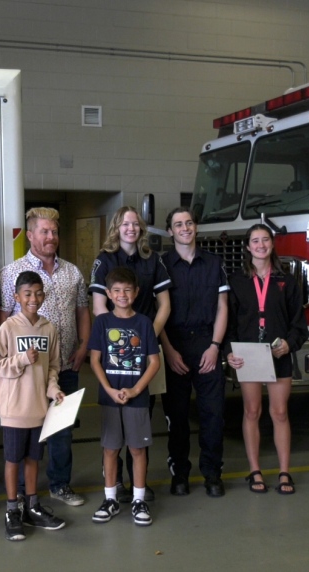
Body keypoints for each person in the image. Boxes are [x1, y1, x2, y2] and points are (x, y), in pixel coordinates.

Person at [0, 207, 90, 507]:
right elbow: (3, 322)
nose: (51, 237)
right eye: (44, 232)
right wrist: (18, 360)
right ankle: (25, 491)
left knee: (61, 430)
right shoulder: (12, 273)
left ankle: (60, 485)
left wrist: (83, 345)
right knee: (28, 433)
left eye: (54, 232)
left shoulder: (72, 272)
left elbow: (82, 311)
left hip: (66, 366)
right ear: (31, 234)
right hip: (29, 373)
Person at [89, 206, 170, 502]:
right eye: (125, 224)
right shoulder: (104, 260)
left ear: (142, 228)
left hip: (142, 348)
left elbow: (164, 305)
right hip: (112, 350)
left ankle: (138, 484)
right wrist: (115, 335)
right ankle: (115, 484)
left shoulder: (153, 260)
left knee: (141, 417)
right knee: (112, 429)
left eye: (136, 224)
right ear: (116, 227)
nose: (131, 228)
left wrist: (144, 334)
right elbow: (99, 307)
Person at [224, 224, 309, 495]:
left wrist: (289, 344)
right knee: (251, 411)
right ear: (248, 247)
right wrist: (230, 352)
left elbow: (300, 325)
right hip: (249, 356)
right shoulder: (237, 281)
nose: (260, 245)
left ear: (272, 245)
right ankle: (255, 470)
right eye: (255, 241)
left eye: (265, 240)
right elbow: (229, 324)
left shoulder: (287, 280)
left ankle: (285, 472)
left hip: (278, 354)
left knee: (280, 413)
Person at [0, 271, 67, 541]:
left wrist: (53, 389)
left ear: (44, 295)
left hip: (39, 409)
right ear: (17, 297)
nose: (33, 299)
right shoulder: (8, 328)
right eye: (27, 294)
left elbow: (53, 367)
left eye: (38, 293)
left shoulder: (49, 328)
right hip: (14, 410)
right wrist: (21, 359)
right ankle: (12, 510)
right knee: (13, 460)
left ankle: (32, 507)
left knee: (34, 459)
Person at [158, 207, 229, 497]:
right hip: (173, 346)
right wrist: (169, 351)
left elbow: (223, 307)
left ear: (196, 228)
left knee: (213, 415)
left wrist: (215, 347)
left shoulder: (214, 263)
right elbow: (158, 312)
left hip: (207, 343)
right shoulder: (161, 265)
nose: (184, 228)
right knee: (177, 417)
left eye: (189, 223)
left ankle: (212, 473)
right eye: (178, 224)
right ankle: (180, 474)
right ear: (170, 231)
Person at [88, 267, 160, 526]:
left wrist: (135, 390)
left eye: (127, 290)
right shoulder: (102, 322)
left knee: (137, 449)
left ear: (136, 292)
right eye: (116, 290)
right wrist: (108, 389)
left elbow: (153, 362)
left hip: (136, 398)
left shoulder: (143, 323)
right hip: (110, 397)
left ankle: (139, 499)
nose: (122, 295)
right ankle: (110, 499)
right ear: (108, 293)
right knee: (110, 449)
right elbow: (95, 360)